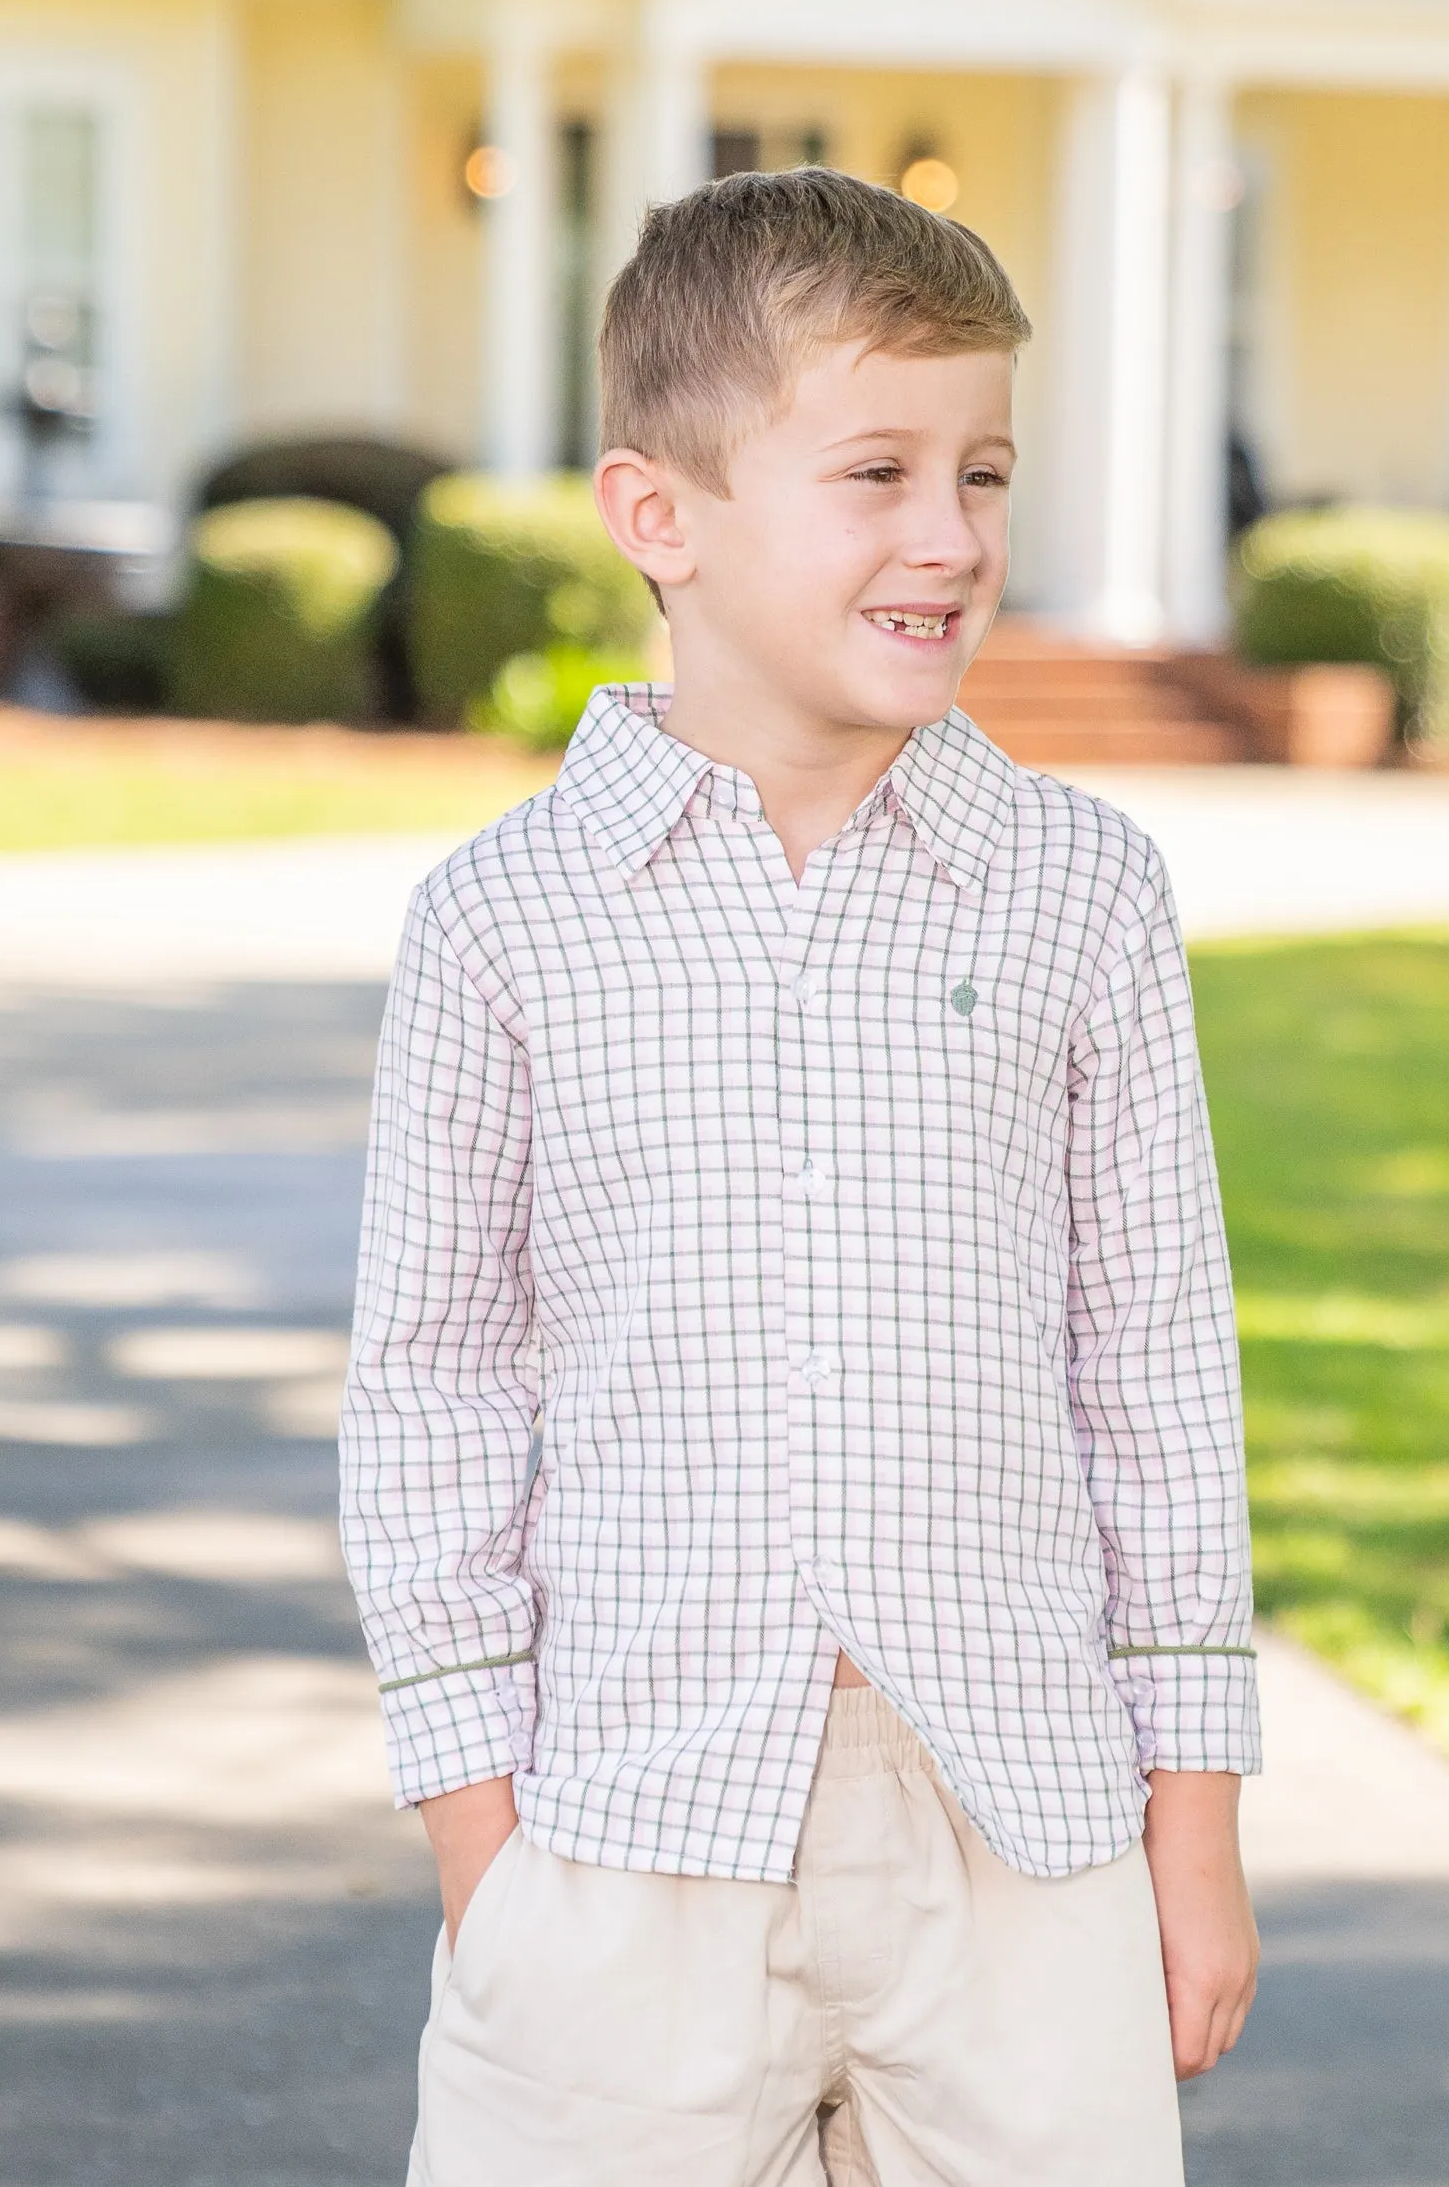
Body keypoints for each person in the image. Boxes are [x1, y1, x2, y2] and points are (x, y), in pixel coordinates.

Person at [342, 166, 1261, 2187]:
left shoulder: (1080, 894)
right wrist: (484, 1854)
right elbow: (431, 1391)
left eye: (982, 473)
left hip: (1021, 1829)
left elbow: (1156, 1375)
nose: (947, 537)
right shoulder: (501, 921)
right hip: (621, 1824)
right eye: (875, 471)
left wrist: (1185, 1831)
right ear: (657, 514)